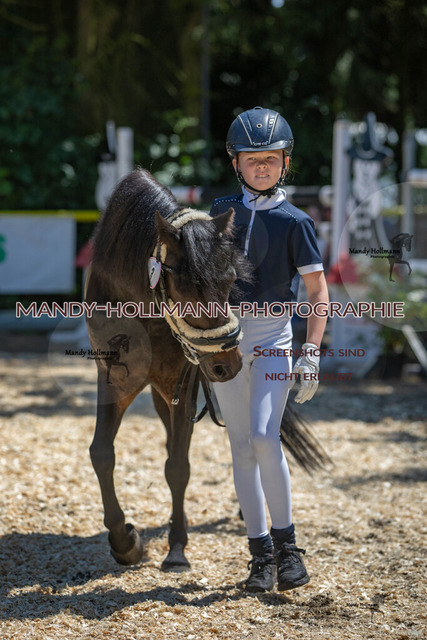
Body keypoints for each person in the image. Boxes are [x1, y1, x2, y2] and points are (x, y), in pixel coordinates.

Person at [210, 106, 329, 593]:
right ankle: (260, 555)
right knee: (240, 445)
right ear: (236, 162)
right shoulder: (219, 213)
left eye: (271, 159)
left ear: (286, 162)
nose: (261, 166)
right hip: (225, 339)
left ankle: (288, 549)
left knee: (264, 437)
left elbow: (317, 292)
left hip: (274, 337)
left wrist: (311, 351)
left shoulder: (295, 222)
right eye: (252, 159)